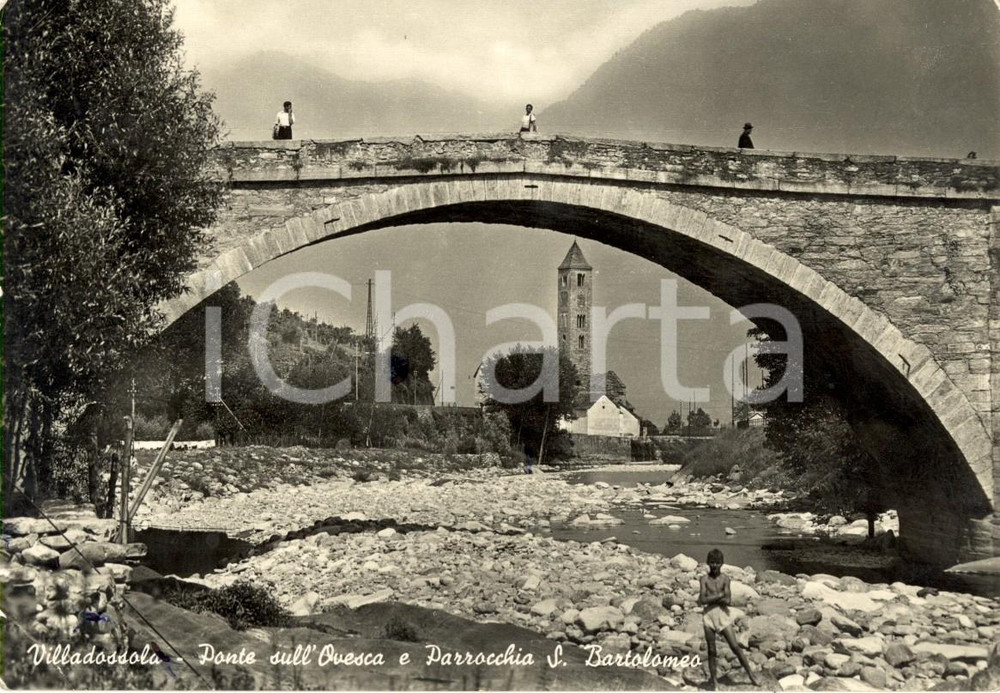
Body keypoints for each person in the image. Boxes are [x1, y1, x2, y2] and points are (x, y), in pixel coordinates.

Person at [698, 548, 759, 689]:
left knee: (735, 646)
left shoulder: (725, 579)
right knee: (711, 650)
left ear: (722, 564)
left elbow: (728, 600)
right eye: (712, 562)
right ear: (707, 563)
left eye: (717, 563)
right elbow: (702, 600)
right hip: (708, 616)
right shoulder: (704, 579)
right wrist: (720, 595)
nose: (714, 565)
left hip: (723, 615)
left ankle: (751, 675)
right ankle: (714, 681)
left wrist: (712, 598)